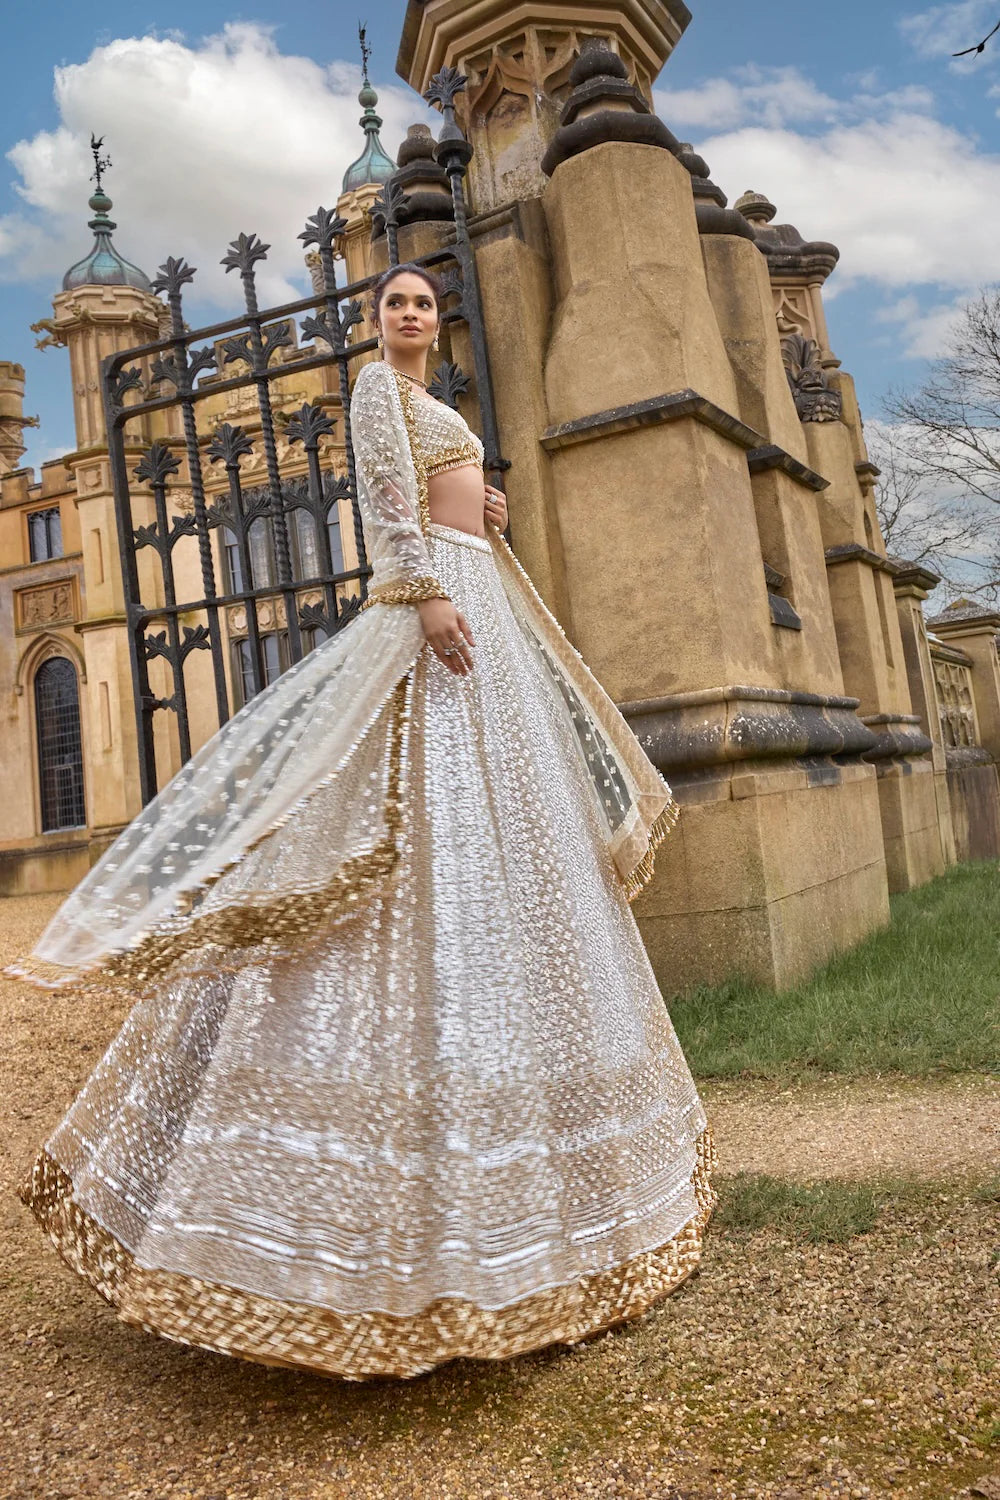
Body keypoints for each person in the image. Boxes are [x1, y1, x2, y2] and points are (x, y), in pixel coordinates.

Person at [9, 263, 717, 1381]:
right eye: (395, 303)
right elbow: (386, 499)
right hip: (440, 607)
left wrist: (480, 513)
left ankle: (565, 1208)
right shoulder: (377, 388)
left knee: (516, 850)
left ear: (439, 321)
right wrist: (426, 588)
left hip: (476, 590)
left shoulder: (434, 398)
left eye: (424, 303)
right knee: (416, 837)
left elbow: (432, 488)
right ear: (373, 319)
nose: (411, 315)